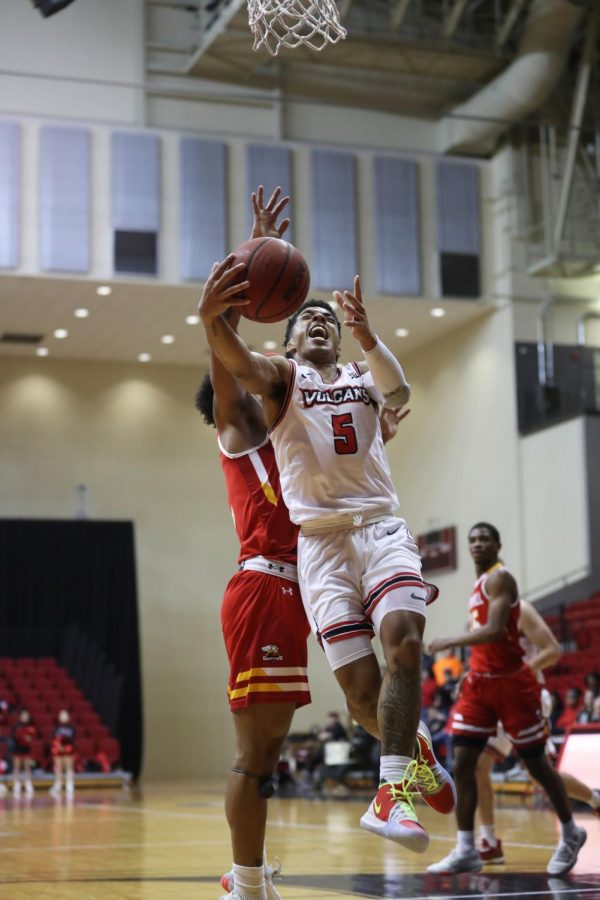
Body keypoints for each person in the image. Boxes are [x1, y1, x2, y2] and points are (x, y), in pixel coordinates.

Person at [199, 242, 456, 856]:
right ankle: (413, 748)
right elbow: (233, 370)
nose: (319, 324)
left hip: (370, 533)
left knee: (405, 643)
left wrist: (371, 424)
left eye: (328, 321)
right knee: (344, 706)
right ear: (284, 344)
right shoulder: (262, 409)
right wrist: (218, 310)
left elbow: (393, 395)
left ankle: (391, 786)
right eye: (305, 321)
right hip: (296, 568)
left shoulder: (356, 381)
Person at [195, 186, 311, 900]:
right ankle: (244, 881)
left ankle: (249, 871)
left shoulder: (294, 444)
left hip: (296, 591)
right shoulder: (238, 437)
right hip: (263, 588)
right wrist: (241, 273)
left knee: (270, 751)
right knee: (253, 753)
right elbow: (224, 354)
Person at [426, 522, 587, 877]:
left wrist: (447, 641)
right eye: (473, 539)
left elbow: (498, 632)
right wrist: (470, 670)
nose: (478, 544)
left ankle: (572, 828)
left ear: (498, 544)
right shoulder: (478, 587)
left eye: (485, 538)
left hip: (515, 685)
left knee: (537, 768)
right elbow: (486, 643)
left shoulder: (502, 580)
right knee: (465, 761)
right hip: (481, 687)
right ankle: (470, 846)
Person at [475, 598, 600, 864]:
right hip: (498, 699)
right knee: (478, 764)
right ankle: (489, 842)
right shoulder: (481, 615)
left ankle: (591, 801)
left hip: (526, 697)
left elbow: (553, 651)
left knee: (540, 774)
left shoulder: (521, 610)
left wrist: (518, 674)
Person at [49, 709, 76, 797]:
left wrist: (66, 746)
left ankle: (69, 785)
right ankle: (58, 784)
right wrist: (58, 746)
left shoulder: (71, 728)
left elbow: (72, 738)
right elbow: (53, 738)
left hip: (68, 749)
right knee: (58, 768)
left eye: (65, 715)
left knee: (69, 767)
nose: (64, 717)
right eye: (62, 715)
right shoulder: (56, 728)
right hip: (58, 749)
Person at [11, 709, 36, 797]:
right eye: (24, 716)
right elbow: (14, 736)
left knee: (27, 767)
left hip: (26, 749)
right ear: (21, 717)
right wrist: (21, 736)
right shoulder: (16, 725)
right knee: (17, 767)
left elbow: (32, 737)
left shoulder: (31, 726)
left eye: (27, 716)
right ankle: (16, 784)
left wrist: (28, 739)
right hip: (17, 748)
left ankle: (28, 784)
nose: (25, 717)